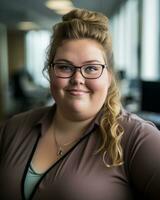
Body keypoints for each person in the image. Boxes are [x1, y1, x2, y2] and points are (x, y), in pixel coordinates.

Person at [0, 8, 160, 200]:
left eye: (91, 68)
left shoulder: (138, 138)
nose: (77, 78)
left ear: (109, 77)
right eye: (65, 67)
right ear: (50, 73)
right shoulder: (14, 128)